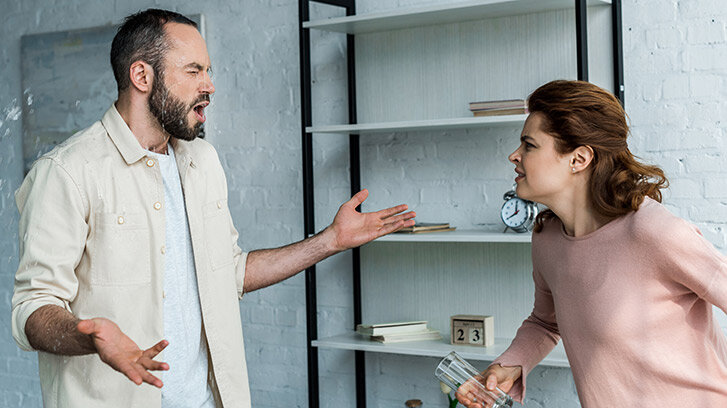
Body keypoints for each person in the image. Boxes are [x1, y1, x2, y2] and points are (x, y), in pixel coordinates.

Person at [11, 9, 415, 408]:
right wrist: (89, 336)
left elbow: (229, 272)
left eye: (208, 71)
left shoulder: (202, 161)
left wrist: (330, 240)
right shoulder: (66, 172)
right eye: (194, 71)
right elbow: (33, 308)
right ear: (141, 76)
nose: (210, 85)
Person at [456, 80, 727, 407]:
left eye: (529, 145)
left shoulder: (653, 232)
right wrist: (507, 366)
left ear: (579, 159)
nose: (514, 155)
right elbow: (545, 322)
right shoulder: (547, 238)